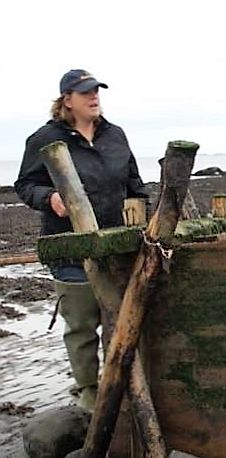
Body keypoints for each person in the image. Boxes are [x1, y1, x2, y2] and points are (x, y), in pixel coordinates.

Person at [15, 69, 148, 410]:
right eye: (86, 92)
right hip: (70, 248)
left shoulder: (115, 135)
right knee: (82, 327)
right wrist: (49, 198)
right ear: (67, 100)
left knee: (121, 323)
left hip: (118, 246)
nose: (94, 97)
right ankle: (91, 397)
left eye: (97, 91)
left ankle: (123, 391)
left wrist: (145, 216)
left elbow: (134, 183)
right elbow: (26, 185)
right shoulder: (44, 139)